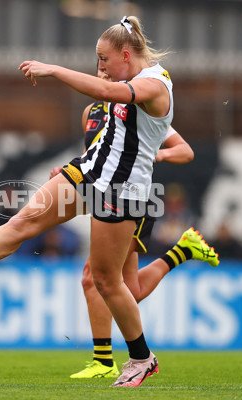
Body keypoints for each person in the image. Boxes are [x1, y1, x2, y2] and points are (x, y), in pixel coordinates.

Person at [0, 16, 185, 387]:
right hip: (87, 172)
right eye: (97, 59)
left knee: (105, 280)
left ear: (126, 55)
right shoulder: (125, 77)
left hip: (122, 189)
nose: (99, 67)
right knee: (20, 224)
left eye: (103, 59)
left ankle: (142, 358)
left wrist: (53, 69)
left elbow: (110, 97)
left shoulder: (154, 84)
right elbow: (109, 124)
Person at [54, 65, 219, 379]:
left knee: (95, 277)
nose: (102, 77)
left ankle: (103, 362)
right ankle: (182, 251)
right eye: (99, 72)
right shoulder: (91, 112)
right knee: (126, 288)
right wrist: (68, 174)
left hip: (135, 199)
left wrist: (158, 155)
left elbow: (185, 151)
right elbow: (95, 155)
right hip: (104, 195)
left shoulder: (137, 110)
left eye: (108, 73)